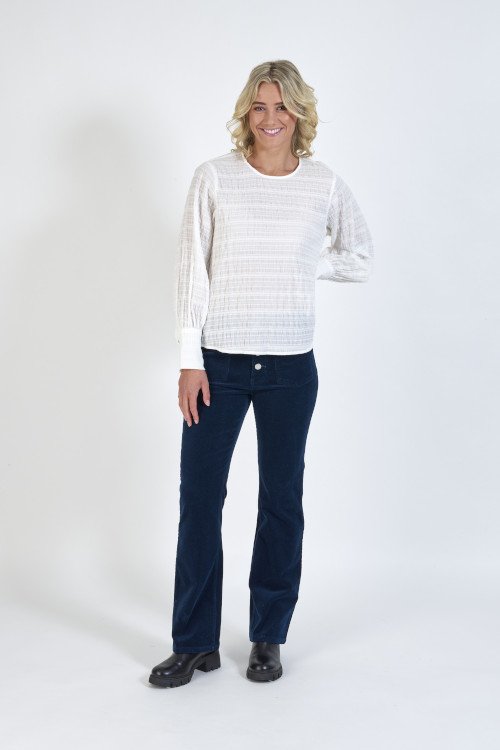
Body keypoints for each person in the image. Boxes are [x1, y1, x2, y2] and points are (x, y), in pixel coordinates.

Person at [149, 59, 374, 688]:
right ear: (246, 112)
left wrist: (301, 265)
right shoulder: (214, 177)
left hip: (290, 367)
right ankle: (194, 643)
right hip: (218, 365)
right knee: (200, 501)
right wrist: (189, 360)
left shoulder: (322, 184)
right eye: (260, 106)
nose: (271, 118)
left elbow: (359, 255)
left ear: (300, 114)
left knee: (281, 503)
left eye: (282, 107)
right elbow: (192, 271)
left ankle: (268, 636)